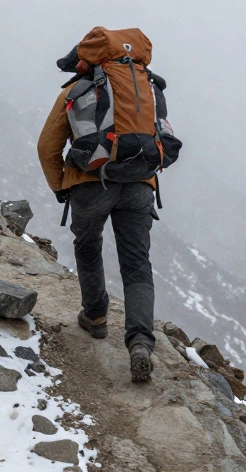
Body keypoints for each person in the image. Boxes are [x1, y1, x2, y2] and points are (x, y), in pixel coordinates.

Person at [36, 27, 179, 384]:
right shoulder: (148, 88)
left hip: (90, 184)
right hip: (139, 186)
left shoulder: (76, 90)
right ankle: (141, 341)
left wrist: (60, 186)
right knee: (136, 263)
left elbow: (47, 147)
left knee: (87, 245)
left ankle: (96, 316)